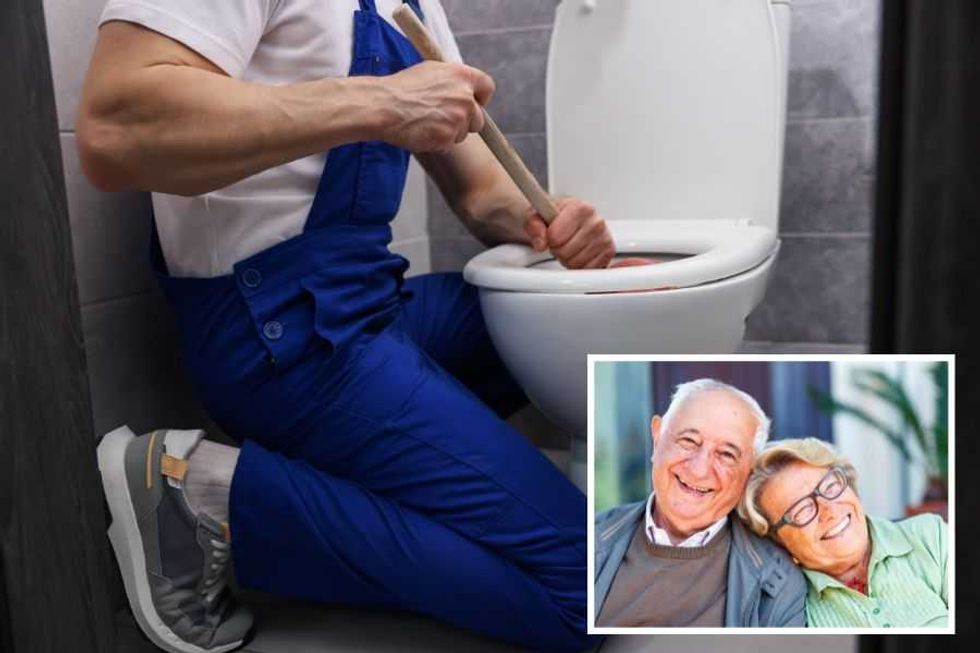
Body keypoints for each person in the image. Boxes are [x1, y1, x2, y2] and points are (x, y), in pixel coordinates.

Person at [80, 1, 616, 652]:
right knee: (589, 591)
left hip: (371, 303)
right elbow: (114, 128)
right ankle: (207, 492)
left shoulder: (413, 7)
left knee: (568, 320)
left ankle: (385, 491)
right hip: (279, 332)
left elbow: (481, 190)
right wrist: (381, 103)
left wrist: (544, 218)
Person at [594, 379, 806, 627]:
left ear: (749, 472)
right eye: (688, 441)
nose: (699, 469)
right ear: (657, 437)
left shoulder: (779, 586)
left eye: (727, 454)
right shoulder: (588, 537)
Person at [737, 438, 949, 628]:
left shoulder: (932, 538)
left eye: (829, 486)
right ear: (779, 541)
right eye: (801, 509)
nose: (829, 510)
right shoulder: (793, 612)